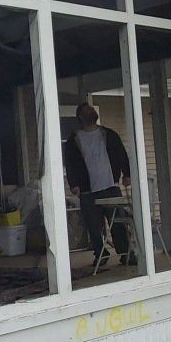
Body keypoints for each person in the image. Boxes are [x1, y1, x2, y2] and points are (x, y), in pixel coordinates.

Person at [62, 102, 131, 265]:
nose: (92, 111)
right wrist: (74, 184)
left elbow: (121, 154)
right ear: (80, 116)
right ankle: (101, 253)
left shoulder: (108, 134)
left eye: (92, 109)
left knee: (118, 223)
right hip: (87, 190)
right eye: (88, 109)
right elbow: (70, 164)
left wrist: (127, 174)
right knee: (93, 226)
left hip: (110, 185)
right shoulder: (74, 140)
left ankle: (126, 253)